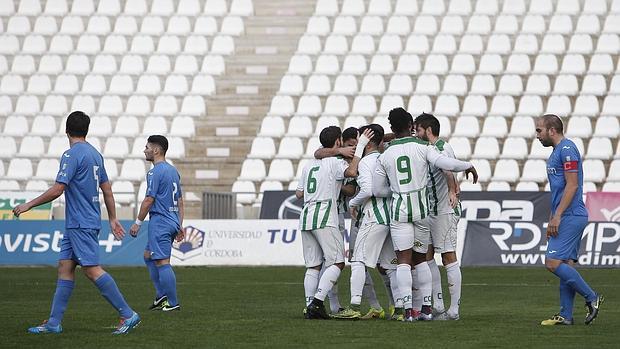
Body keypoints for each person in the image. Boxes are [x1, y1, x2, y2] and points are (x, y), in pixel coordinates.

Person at [13, 111, 140, 335]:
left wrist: (29, 205)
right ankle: (53, 322)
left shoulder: (71, 155)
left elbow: (58, 188)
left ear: (66, 130)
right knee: (65, 267)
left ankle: (128, 314)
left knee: (91, 270)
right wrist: (111, 217)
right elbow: (107, 189)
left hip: (81, 222)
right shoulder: (95, 154)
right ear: (86, 130)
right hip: (80, 222)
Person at [372, 107, 477, 322]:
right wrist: (468, 165)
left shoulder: (387, 152)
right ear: (410, 126)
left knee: (407, 260)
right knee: (423, 259)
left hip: (412, 210)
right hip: (423, 210)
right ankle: (431, 307)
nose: (416, 132)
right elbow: (445, 165)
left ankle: (412, 310)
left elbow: (376, 189)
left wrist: (450, 188)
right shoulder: (423, 147)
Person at [535, 114, 603, 326]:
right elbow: (560, 189)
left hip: (571, 215)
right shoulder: (558, 151)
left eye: (539, 130)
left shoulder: (567, 149)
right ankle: (566, 315)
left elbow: (572, 185)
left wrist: (558, 216)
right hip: (566, 215)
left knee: (552, 263)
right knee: (565, 264)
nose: (537, 135)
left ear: (552, 130)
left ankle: (592, 297)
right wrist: (552, 216)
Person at [297, 126, 371, 319]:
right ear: (338, 142)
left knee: (313, 265)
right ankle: (317, 303)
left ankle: (309, 305)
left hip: (306, 216)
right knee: (337, 262)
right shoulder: (335, 162)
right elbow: (352, 172)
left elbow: (299, 193)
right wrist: (361, 146)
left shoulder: (309, 165)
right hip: (324, 216)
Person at [332, 124, 398, 320]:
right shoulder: (385, 157)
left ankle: (354, 306)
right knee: (392, 265)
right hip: (389, 216)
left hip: (371, 216)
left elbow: (367, 190)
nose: (355, 146)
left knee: (358, 261)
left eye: (359, 140)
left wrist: (352, 202)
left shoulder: (365, 161)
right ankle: (400, 308)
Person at [413, 113, 462, 321]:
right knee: (426, 256)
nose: (416, 133)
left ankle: (454, 310)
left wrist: (452, 190)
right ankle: (438, 303)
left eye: (418, 130)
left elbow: (449, 169)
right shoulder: (428, 149)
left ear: (428, 130)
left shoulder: (442, 147)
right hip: (431, 211)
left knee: (448, 256)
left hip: (445, 211)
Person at [130, 135, 185, 312]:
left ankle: (173, 302)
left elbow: (148, 200)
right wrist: (179, 224)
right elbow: (180, 201)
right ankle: (161, 295)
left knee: (162, 262)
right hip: (171, 221)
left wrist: (138, 222)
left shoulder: (155, 172)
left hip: (160, 222)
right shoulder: (173, 171)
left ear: (156, 150)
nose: (144, 150)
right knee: (148, 256)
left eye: (147, 147)